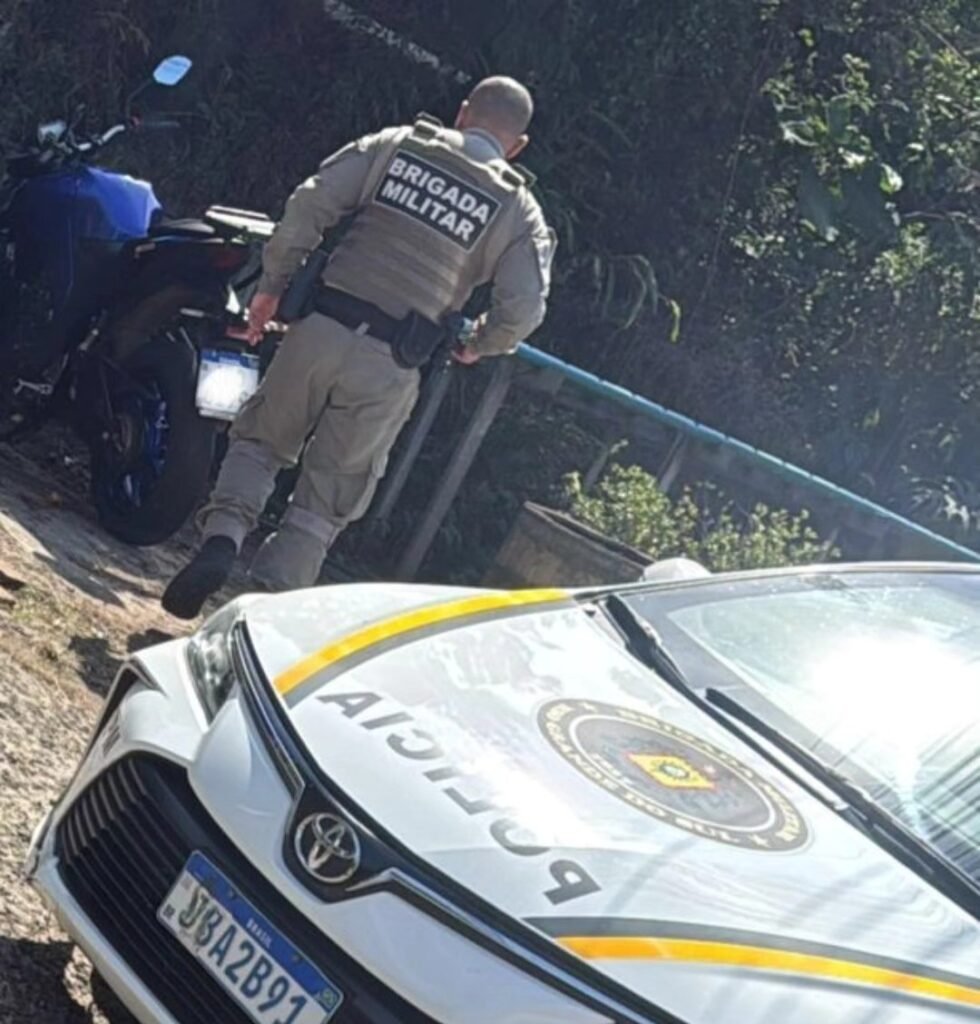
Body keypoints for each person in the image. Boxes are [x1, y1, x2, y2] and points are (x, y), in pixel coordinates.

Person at [162, 76, 556, 619]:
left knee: (260, 443)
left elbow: (309, 204)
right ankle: (261, 619)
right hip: (392, 364)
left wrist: (273, 286)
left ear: (463, 112)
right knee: (325, 503)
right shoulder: (517, 210)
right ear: (518, 147)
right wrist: (480, 343)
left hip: (322, 325)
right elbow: (525, 308)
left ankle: (222, 540)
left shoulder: (396, 144)